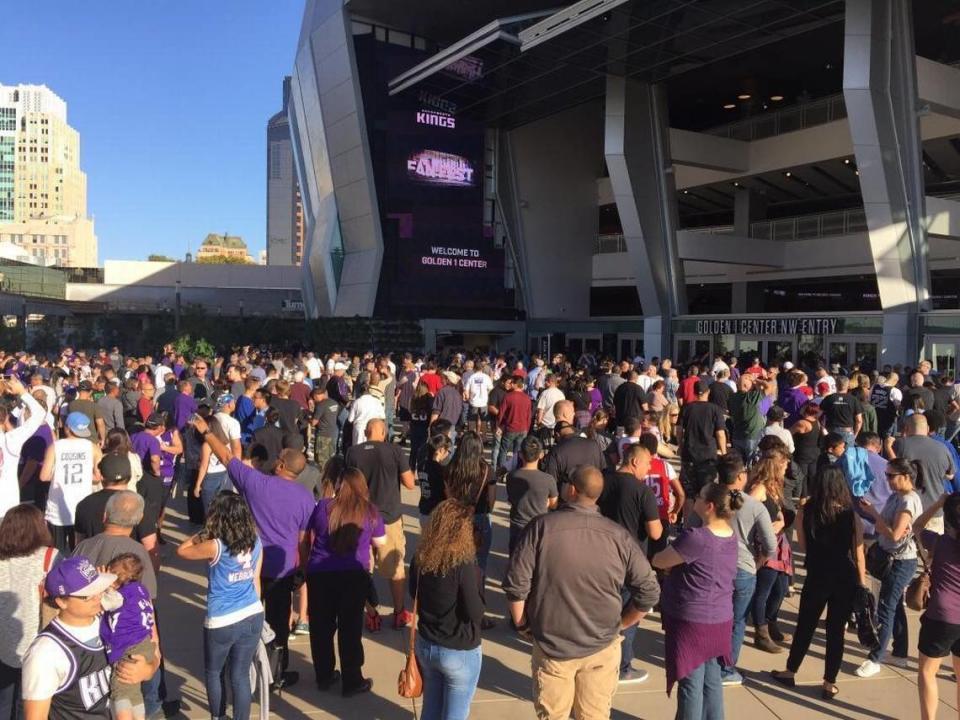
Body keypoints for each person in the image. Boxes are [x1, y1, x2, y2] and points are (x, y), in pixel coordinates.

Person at [504, 466, 660, 720]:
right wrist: (621, 624)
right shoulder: (619, 536)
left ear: (572, 490)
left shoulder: (541, 527)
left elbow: (516, 584)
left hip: (553, 647)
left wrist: (522, 624)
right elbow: (649, 592)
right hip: (601, 647)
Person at [192, 415, 313, 690]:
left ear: (281, 465)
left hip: (248, 566)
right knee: (279, 624)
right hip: (284, 569)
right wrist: (303, 570)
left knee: (246, 621)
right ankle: (276, 675)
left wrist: (206, 432)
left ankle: (241, 671)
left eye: (278, 458)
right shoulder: (306, 497)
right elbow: (305, 540)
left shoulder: (256, 482)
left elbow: (225, 456)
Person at [770, 465, 868, 699]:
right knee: (836, 631)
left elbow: (802, 545)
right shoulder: (851, 516)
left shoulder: (807, 511)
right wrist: (862, 583)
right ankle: (829, 682)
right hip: (844, 576)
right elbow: (859, 553)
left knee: (805, 625)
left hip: (817, 575)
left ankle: (790, 670)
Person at [21, 556, 159, 720]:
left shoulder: (110, 619)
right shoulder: (45, 654)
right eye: (86, 595)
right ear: (61, 602)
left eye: (98, 588)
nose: (97, 597)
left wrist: (148, 669)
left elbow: (154, 650)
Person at [652, 483, 741, 720]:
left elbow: (660, 561)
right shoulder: (732, 536)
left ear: (709, 506)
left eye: (699, 497)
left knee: (690, 683)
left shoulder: (697, 538)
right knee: (711, 679)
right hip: (720, 618)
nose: (696, 501)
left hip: (692, 621)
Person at [176, 493, 264, 720]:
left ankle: (218, 716)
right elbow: (256, 580)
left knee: (215, 672)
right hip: (252, 611)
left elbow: (182, 550)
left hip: (222, 618)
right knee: (240, 674)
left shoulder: (215, 545)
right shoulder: (256, 540)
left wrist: (204, 532)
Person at [690, 453, 775, 686]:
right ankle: (726, 668)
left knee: (712, 617)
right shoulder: (755, 506)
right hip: (743, 569)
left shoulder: (707, 500)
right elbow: (770, 545)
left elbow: (691, 529)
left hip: (712, 567)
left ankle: (706, 659)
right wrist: (756, 564)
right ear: (740, 476)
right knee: (737, 621)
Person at [303, 467, 384, 697]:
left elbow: (309, 535)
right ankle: (352, 679)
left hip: (320, 573)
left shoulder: (322, 507)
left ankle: (324, 675)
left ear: (339, 485)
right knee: (350, 628)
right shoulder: (370, 511)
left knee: (321, 626)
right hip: (353, 575)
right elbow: (381, 542)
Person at [410, 499, 484, 720]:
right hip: (458, 650)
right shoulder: (464, 564)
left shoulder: (420, 558)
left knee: (430, 709)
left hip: (426, 645)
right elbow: (475, 613)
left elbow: (413, 593)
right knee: (455, 714)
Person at [599, 443, 662, 683]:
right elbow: (655, 533)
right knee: (628, 612)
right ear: (635, 462)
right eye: (647, 464)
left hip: (603, 554)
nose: (648, 469)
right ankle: (623, 666)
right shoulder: (642, 491)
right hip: (630, 560)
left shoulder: (604, 481)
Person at [344, 418, 416, 629]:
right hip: (389, 518)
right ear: (384, 433)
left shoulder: (353, 452)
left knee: (364, 568)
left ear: (366, 432)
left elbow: (347, 483)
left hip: (360, 518)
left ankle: (371, 614)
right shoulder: (395, 451)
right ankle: (399, 612)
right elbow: (410, 484)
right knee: (395, 568)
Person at [856, 457, 924, 677]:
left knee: (886, 607)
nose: (887, 480)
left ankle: (875, 658)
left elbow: (895, 534)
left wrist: (876, 516)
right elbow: (888, 529)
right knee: (894, 605)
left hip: (900, 561)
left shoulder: (908, 501)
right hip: (890, 558)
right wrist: (878, 519)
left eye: (891, 476)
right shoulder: (897, 497)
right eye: (886, 475)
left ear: (905, 476)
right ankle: (900, 652)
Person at [0, 505, 59, 720]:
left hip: (3, 642)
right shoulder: (51, 557)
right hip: (37, 641)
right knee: (29, 704)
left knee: (3, 701)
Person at [914, 492, 960, 719]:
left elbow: (917, 526)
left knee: (927, 671)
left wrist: (938, 504)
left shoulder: (939, 542)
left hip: (942, 616)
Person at [100, 554, 156, 720]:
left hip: (129, 646)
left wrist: (102, 584)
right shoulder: (141, 590)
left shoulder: (120, 595)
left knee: (120, 688)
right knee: (133, 690)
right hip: (145, 643)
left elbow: (102, 603)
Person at [41, 411, 102, 552]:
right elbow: (98, 477)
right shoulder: (93, 447)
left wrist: (59, 476)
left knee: (56, 552)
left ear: (67, 428)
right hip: (82, 506)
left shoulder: (55, 447)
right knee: (80, 551)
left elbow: (44, 476)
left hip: (57, 507)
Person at [677, 380, 727, 516]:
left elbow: (679, 430)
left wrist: (680, 446)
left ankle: (687, 525)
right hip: (708, 457)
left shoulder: (686, 408)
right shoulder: (715, 409)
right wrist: (723, 452)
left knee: (689, 494)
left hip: (689, 454)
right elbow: (720, 434)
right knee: (707, 493)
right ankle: (704, 522)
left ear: (694, 392)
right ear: (708, 393)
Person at [0, 376, 47, 519]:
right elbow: (39, 414)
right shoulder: (11, 440)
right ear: (5, 418)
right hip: (6, 508)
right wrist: (22, 392)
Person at [505, 435, 557, 554]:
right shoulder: (548, 479)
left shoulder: (512, 476)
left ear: (521, 455)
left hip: (517, 524)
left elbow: (511, 499)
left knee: (515, 557)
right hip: (539, 526)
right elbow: (554, 504)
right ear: (541, 455)